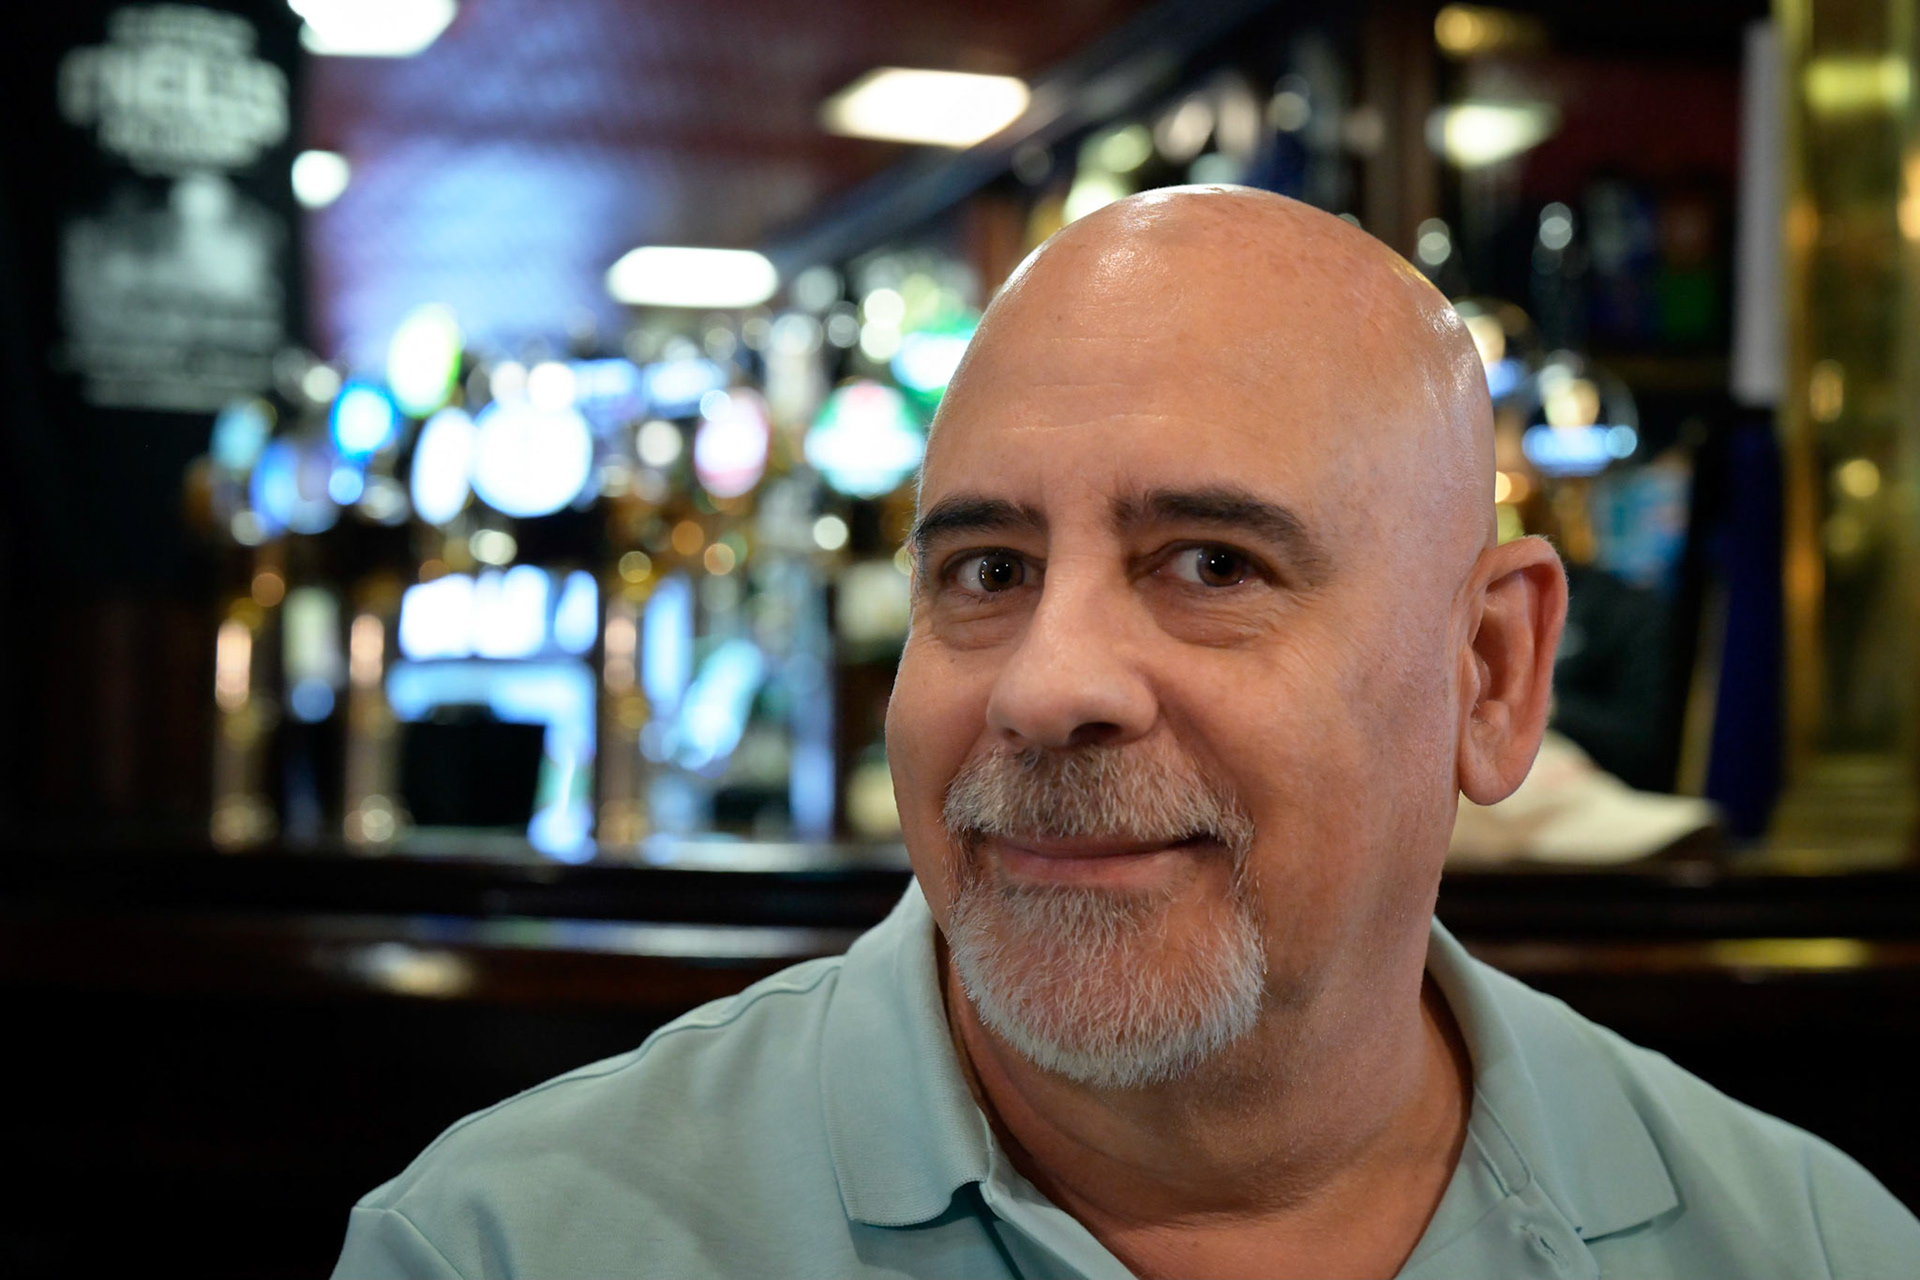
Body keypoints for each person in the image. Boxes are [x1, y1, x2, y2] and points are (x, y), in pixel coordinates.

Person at [332, 188, 1920, 1278]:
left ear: (1492, 674)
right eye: (987, 571)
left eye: (1211, 564)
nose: (1043, 682)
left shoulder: (1811, 1245)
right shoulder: (504, 1244)